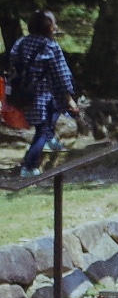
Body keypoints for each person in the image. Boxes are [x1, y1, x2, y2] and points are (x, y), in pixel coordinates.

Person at [6, 11, 78, 177]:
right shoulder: (50, 46)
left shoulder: (21, 42)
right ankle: (29, 167)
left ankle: (50, 140)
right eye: (54, 24)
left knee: (53, 112)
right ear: (48, 27)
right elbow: (62, 75)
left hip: (24, 94)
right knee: (42, 131)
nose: (56, 27)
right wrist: (70, 99)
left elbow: (13, 66)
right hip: (41, 95)